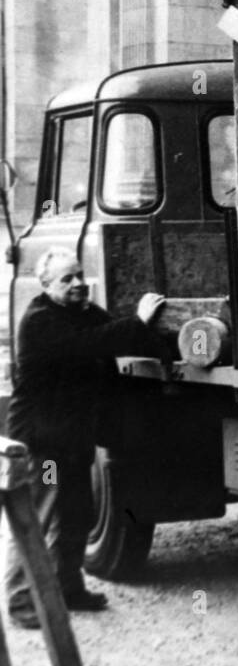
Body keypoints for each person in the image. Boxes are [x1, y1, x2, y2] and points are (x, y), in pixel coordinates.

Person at [5, 249, 167, 630]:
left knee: (76, 514)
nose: (77, 283)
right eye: (66, 279)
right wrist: (138, 321)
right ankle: (22, 602)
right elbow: (94, 343)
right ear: (46, 287)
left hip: (72, 440)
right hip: (44, 449)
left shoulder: (81, 312)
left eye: (79, 275)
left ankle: (69, 589)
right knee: (43, 516)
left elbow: (118, 335)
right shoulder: (41, 321)